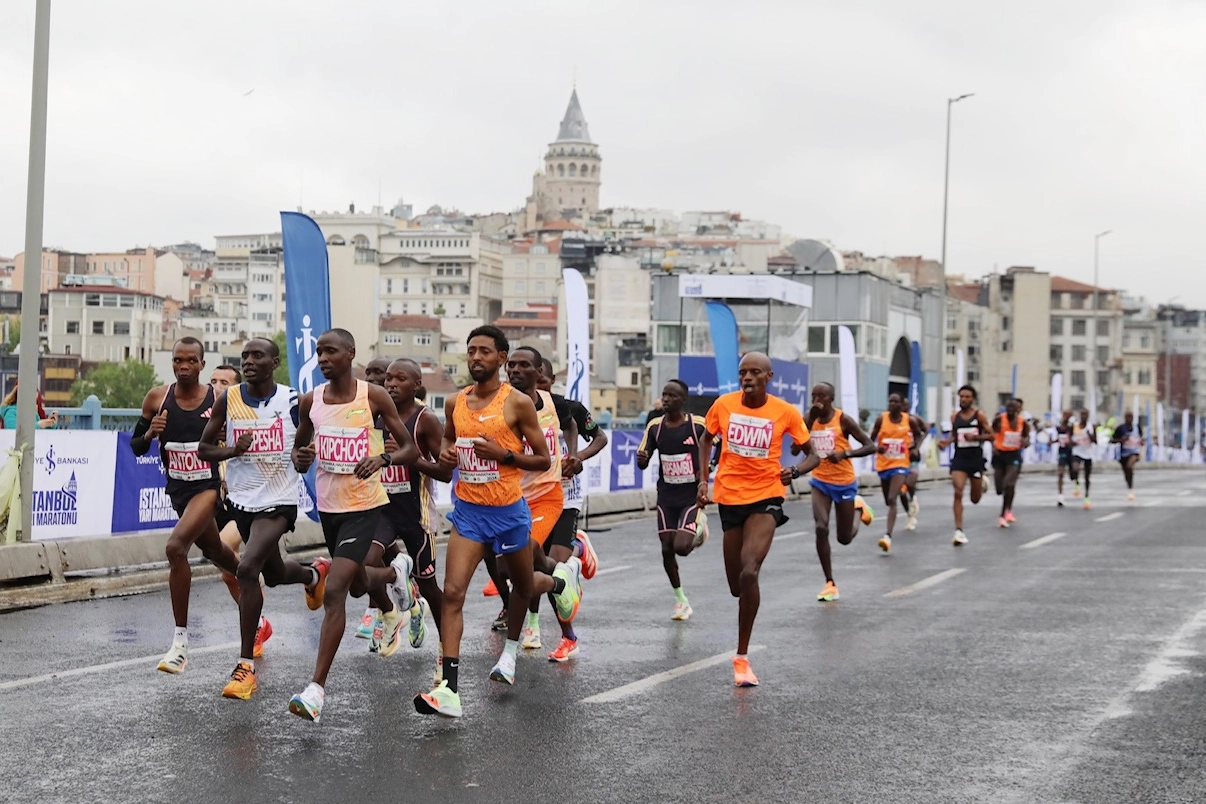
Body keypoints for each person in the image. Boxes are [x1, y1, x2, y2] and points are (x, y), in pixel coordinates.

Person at [413, 326, 580, 718]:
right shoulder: (456, 400)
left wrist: (503, 455)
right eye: (471, 350)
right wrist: (448, 454)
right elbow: (447, 442)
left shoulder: (518, 403)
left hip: (509, 512)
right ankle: (450, 690)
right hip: (469, 513)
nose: (476, 358)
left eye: (485, 351)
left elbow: (543, 459)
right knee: (453, 594)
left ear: (501, 358)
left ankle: (558, 581)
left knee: (524, 585)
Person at [286, 329, 422, 723]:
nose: (323, 358)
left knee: (337, 591)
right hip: (330, 508)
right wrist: (304, 456)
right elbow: (299, 453)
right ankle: (396, 571)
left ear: (350, 353)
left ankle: (315, 690)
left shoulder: (373, 396)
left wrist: (382, 460)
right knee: (361, 583)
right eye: (318, 352)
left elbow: (408, 446)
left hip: (366, 507)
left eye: (330, 351)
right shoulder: (311, 401)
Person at [197, 339, 315, 700]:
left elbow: (304, 449)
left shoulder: (295, 401)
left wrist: (302, 459)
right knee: (275, 574)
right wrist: (233, 449)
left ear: (274, 362)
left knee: (247, 569)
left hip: (280, 500)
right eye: (245, 357)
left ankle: (245, 666)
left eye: (257, 356)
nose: (248, 362)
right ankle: (313, 574)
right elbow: (204, 448)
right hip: (242, 502)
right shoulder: (228, 399)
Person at [698, 352, 818, 687]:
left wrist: (794, 470)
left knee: (750, 570)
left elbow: (813, 454)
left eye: (754, 372)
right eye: (742, 373)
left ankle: (742, 657)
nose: (747, 378)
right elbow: (706, 439)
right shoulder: (723, 405)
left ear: (769, 376)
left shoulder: (786, 412)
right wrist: (702, 479)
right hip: (729, 497)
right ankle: (743, 627)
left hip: (767, 495)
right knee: (737, 585)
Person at [130, 338, 242, 674]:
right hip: (178, 489)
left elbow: (241, 437)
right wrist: (150, 433)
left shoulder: (219, 399)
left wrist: (227, 439)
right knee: (215, 551)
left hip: (207, 488)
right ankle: (251, 581)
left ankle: (180, 644)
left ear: (202, 364)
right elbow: (136, 446)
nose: (183, 366)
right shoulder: (157, 397)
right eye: (178, 360)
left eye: (191, 361)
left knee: (176, 547)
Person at [368, 358, 451, 675]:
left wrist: (412, 459)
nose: (390, 384)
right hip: (381, 510)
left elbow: (445, 472)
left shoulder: (425, 420)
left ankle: (446, 652)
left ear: (416, 385)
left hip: (417, 515)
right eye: (388, 378)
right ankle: (391, 612)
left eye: (400, 379)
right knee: (363, 566)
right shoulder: (375, 415)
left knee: (429, 585)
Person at [528, 357, 604, 662]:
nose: (539, 386)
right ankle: (532, 624)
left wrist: (578, 457)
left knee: (554, 566)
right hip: (530, 498)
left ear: (548, 379)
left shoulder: (568, 408)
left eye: (543, 380)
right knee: (533, 565)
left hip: (564, 496)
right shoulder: (515, 409)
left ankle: (567, 637)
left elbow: (600, 437)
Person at [638, 379, 708, 619]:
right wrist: (643, 458)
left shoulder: (697, 425)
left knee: (682, 548)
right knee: (667, 548)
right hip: (666, 495)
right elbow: (644, 455)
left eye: (672, 396)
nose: (666, 399)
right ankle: (680, 599)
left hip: (691, 496)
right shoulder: (655, 427)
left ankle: (699, 529)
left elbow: (715, 445)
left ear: (683, 400)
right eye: (664, 394)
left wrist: (706, 472)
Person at [804, 382, 877, 599]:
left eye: (822, 396)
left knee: (844, 538)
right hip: (820, 481)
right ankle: (830, 582)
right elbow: (794, 448)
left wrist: (845, 454)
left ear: (831, 399)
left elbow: (870, 445)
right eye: (814, 396)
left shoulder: (842, 419)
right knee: (820, 527)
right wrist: (808, 420)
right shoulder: (809, 419)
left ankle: (858, 508)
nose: (817, 401)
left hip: (844, 482)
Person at [868, 393, 926, 552]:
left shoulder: (910, 420)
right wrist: (875, 448)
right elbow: (870, 439)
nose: (892, 404)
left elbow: (920, 434)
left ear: (902, 404)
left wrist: (915, 447)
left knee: (893, 498)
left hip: (901, 464)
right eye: (890, 401)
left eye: (896, 402)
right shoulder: (882, 419)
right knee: (888, 500)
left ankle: (887, 536)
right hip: (884, 464)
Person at [938, 385, 993, 546]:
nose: (964, 399)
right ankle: (959, 530)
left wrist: (976, 438)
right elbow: (955, 436)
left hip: (975, 459)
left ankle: (981, 482)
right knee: (958, 491)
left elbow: (992, 436)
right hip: (959, 459)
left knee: (975, 499)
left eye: (967, 397)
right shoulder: (954, 417)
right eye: (961, 396)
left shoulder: (979, 416)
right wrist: (946, 443)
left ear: (973, 399)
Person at [991, 398, 1030, 528]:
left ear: (1017, 410)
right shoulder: (999, 419)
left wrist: (1025, 442)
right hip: (1000, 455)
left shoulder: (1022, 422)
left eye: (1014, 409)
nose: (1011, 411)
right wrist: (993, 445)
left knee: (1009, 483)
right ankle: (1006, 508)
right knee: (999, 488)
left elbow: (1026, 436)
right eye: (1008, 408)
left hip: (1014, 455)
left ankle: (1003, 514)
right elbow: (990, 433)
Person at [1112, 411, 1144, 502]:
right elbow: (1112, 440)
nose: (1129, 419)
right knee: (1126, 472)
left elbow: (1141, 438)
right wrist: (1122, 440)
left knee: (1129, 466)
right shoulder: (1120, 428)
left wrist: (1141, 442)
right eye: (1128, 417)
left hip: (1134, 452)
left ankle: (1130, 489)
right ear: (1125, 418)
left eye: (1131, 417)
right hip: (1123, 454)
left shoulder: (1137, 427)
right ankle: (1130, 488)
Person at [1070, 409, 1097, 510]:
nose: (1084, 416)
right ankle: (1077, 483)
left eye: (1086, 414)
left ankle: (1086, 496)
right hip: (1077, 451)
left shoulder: (1091, 426)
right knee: (1075, 468)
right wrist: (1072, 442)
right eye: (1082, 414)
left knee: (1087, 476)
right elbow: (1070, 438)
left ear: (1088, 416)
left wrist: (1090, 435)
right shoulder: (1075, 426)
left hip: (1088, 453)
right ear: (1080, 415)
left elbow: (1095, 441)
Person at [1054, 410, 1075, 506]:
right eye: (1065, 415)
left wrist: (1071, 441)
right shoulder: (1058, 427)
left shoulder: (1072, 427)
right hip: (1062, 452)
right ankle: (1060, 496)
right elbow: (1057, 438)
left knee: (1073, 475)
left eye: (1068, 415)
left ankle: (1075, 478)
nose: (1066, 417)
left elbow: (1076, 439)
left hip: (1071, 453)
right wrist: (1052, 441)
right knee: (1060, 473)